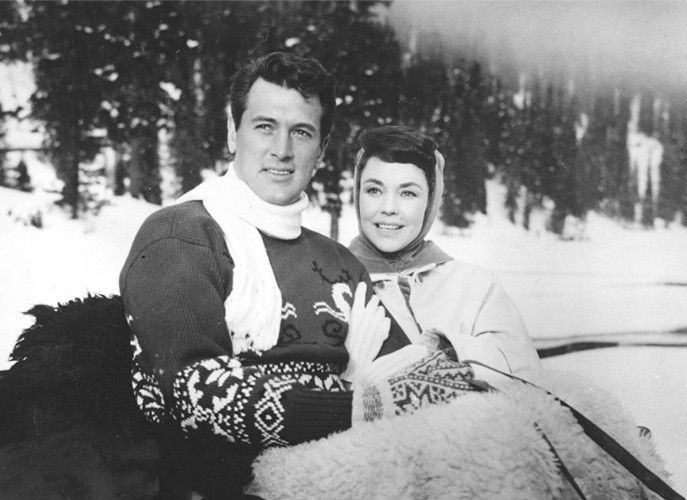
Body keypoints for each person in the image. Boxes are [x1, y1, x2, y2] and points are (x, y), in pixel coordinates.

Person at [120, 53, 480, 499]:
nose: (282, 150)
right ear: (233, 133)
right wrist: (358, 396)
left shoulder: (340, 263)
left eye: (302, 132)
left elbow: (420, 380)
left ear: (323, 149)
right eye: (264, 125)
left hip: (351, 475)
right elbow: (197, 396)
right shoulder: (181, 236)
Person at [348, 125, 542, 382]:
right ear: (357, 194)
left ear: (430, 201)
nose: (389, 208)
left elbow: (530, 382)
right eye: (374, 190)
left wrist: (447, 350)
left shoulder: (477, 286)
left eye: (408, 193)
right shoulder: (330, 281)